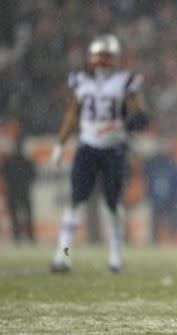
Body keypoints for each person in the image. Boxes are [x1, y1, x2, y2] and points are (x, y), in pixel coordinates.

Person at [50, 34, 147, 273]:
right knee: (76, 202)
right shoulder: (80, 80)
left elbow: (138, 113)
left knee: (113, 204)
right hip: (88, 147)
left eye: (107, 56)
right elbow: (73, 114)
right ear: (91, 58)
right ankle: (63, 255)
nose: (102, 61)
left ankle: (116, 257)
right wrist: (61, 143)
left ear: (115, 59)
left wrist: (135, 121)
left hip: (114, 149)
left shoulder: (125, 82)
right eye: (99, 56)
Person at [2, 134, 36, 244]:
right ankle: (29, 237)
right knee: (25, 215)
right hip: (22, 190)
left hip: (15, 190)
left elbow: (4, 174)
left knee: (17, 216)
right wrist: (26, 183)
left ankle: (19, 237)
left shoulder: (10, 161)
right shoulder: (25, 160)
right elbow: (33, 174)